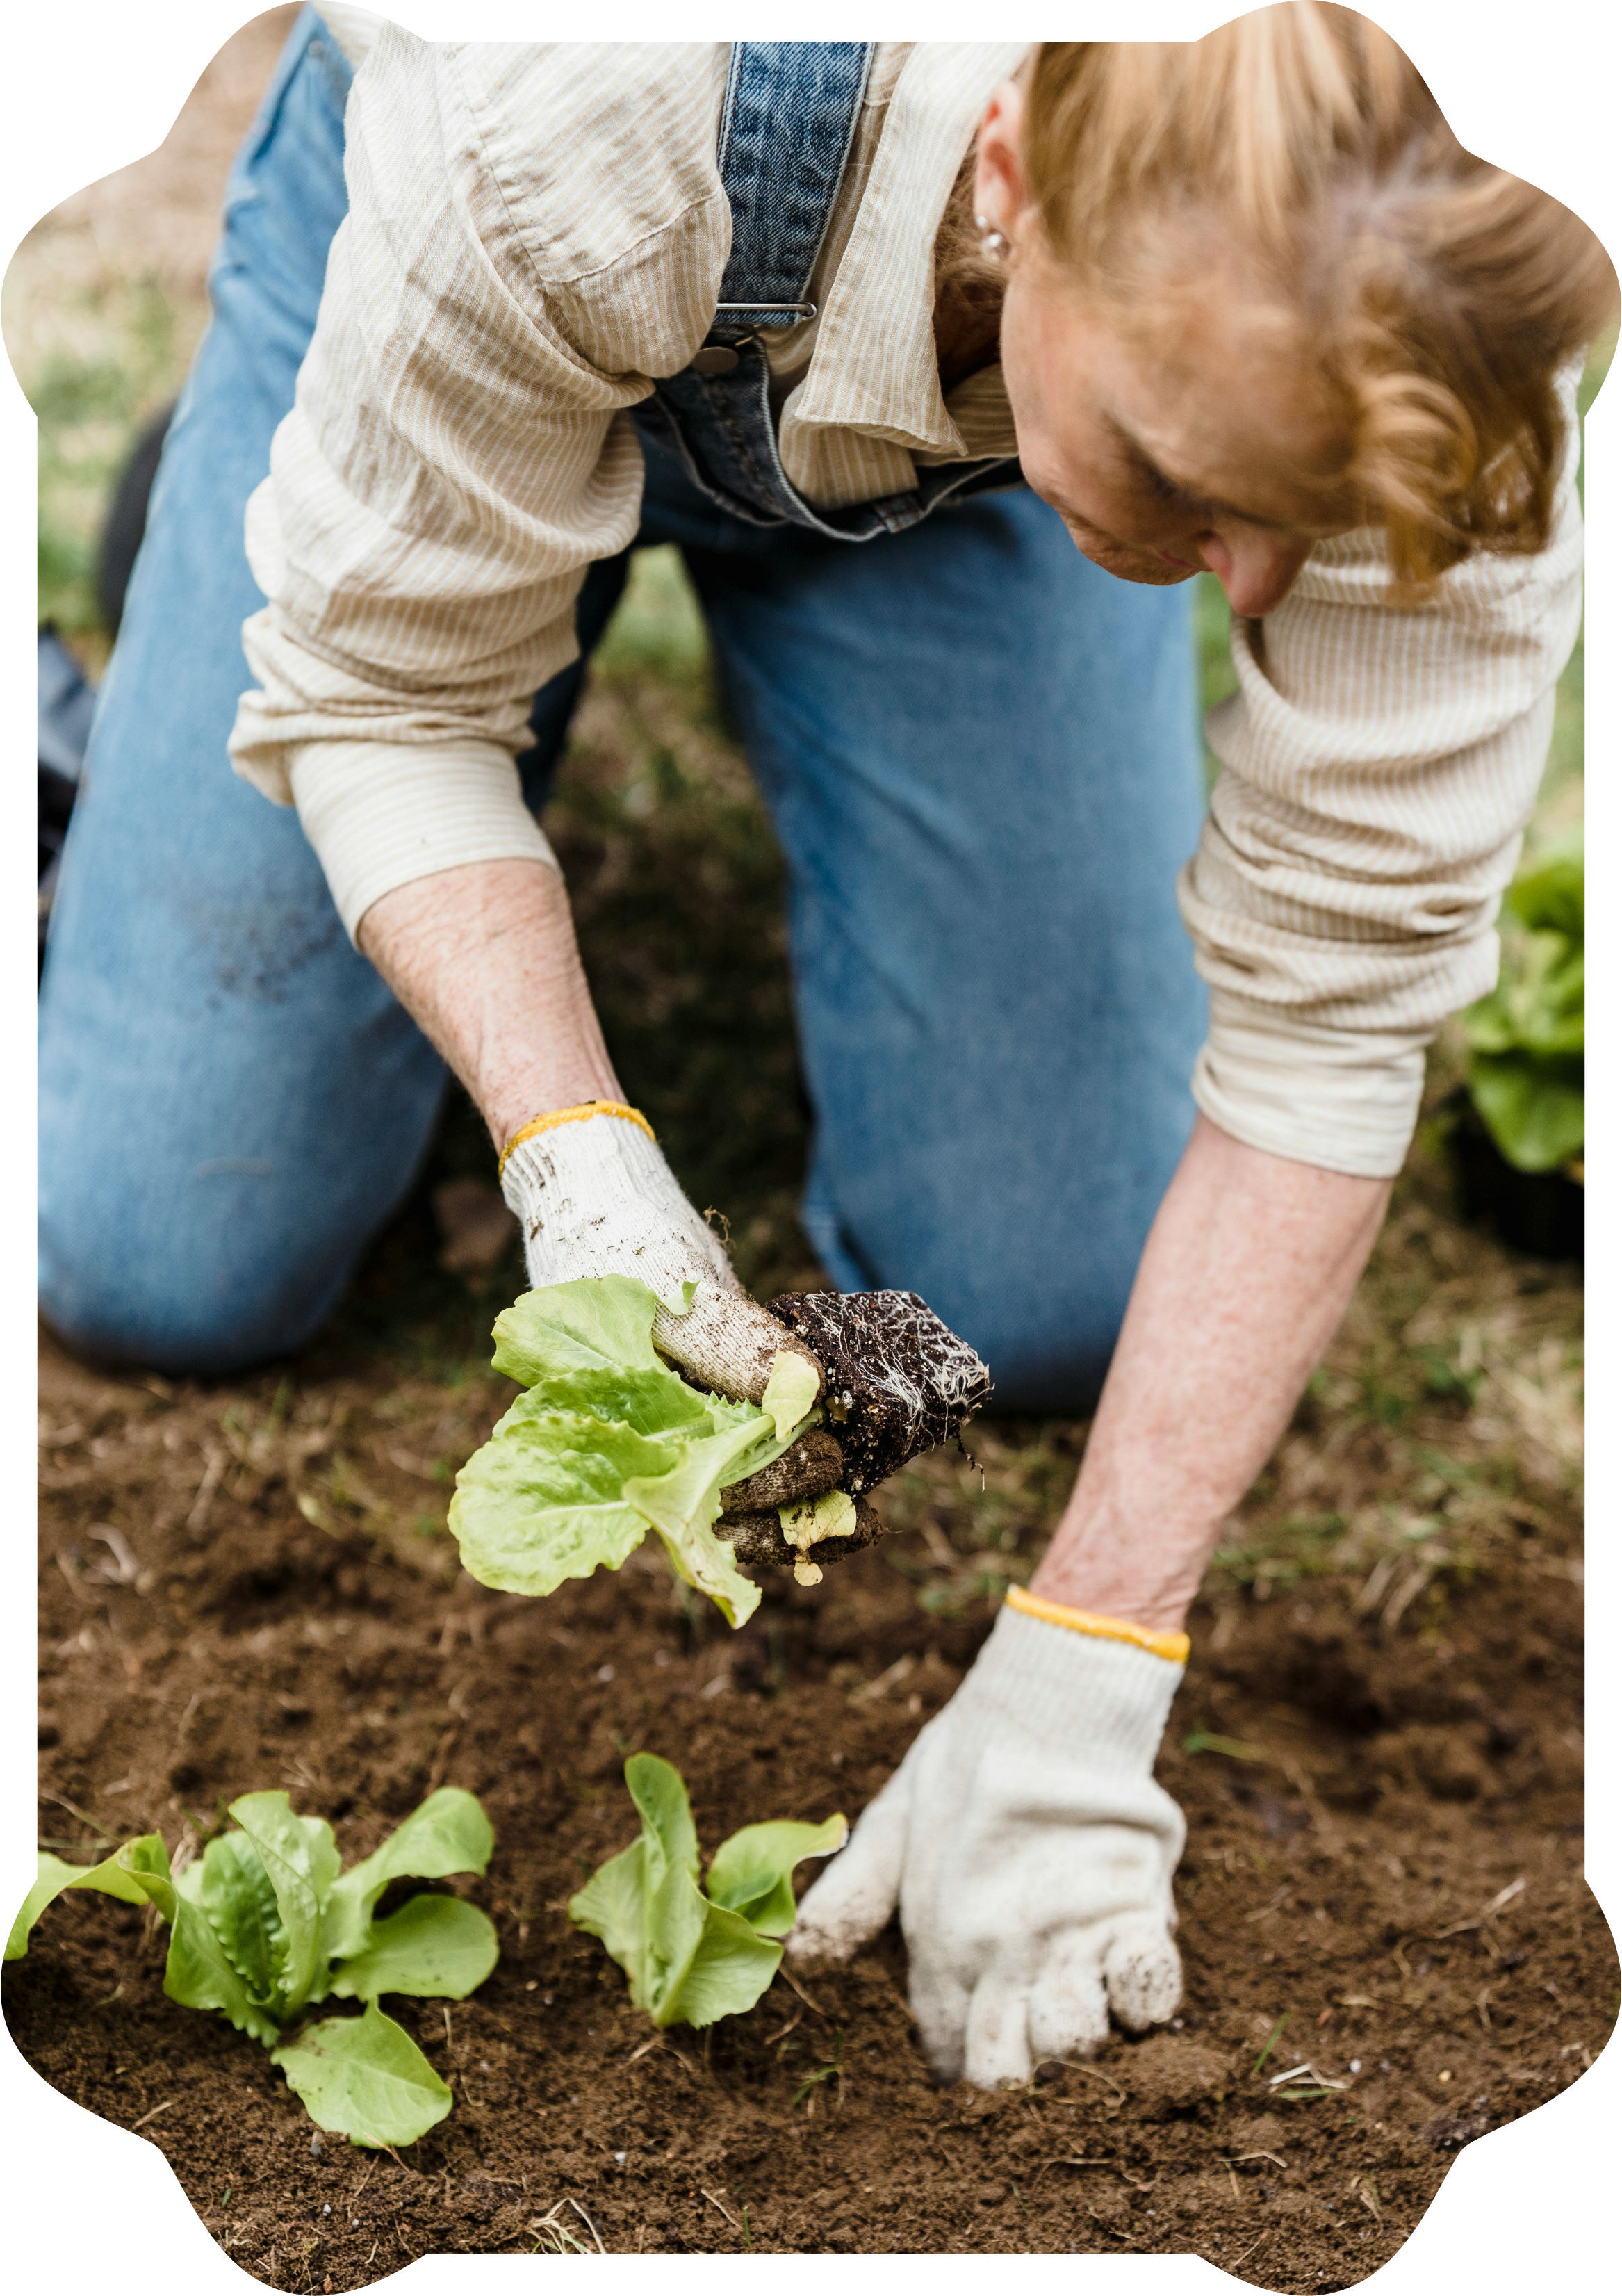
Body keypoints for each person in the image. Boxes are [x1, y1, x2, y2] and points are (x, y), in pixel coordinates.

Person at [35, 9, 1613, 2088]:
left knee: (1049, 1290)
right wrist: (575, 1152)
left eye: (1287, 518)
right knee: (160, 1247)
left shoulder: (1447, 317)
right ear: (1016, 176)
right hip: (505, 239)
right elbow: (393, 706)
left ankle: (953, 538)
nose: (1247, 589)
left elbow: (1330, 1025)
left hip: (979, 456)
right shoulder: (567, 97)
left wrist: (1087, 1666)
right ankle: (265, 502)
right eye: (1190, 481)